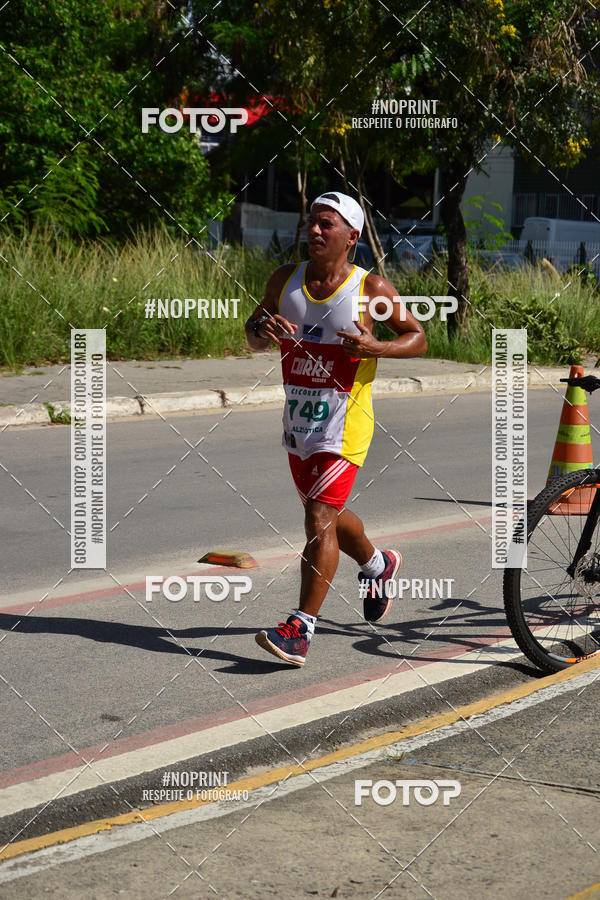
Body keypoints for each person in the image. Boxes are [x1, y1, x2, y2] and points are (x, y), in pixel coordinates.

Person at [245, 191, 427, 666]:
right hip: (299, 423)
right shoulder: (285, 279)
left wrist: (377, 348)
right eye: (312, 222)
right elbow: (251, 332)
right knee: (324, 514)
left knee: (318, 519)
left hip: (346, 424)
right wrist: (261, 329)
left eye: (327, 224)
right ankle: (377, 564)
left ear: (352, 236)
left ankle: (300, 630)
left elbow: (417, 337)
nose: (315, 231)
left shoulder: (372, 291)